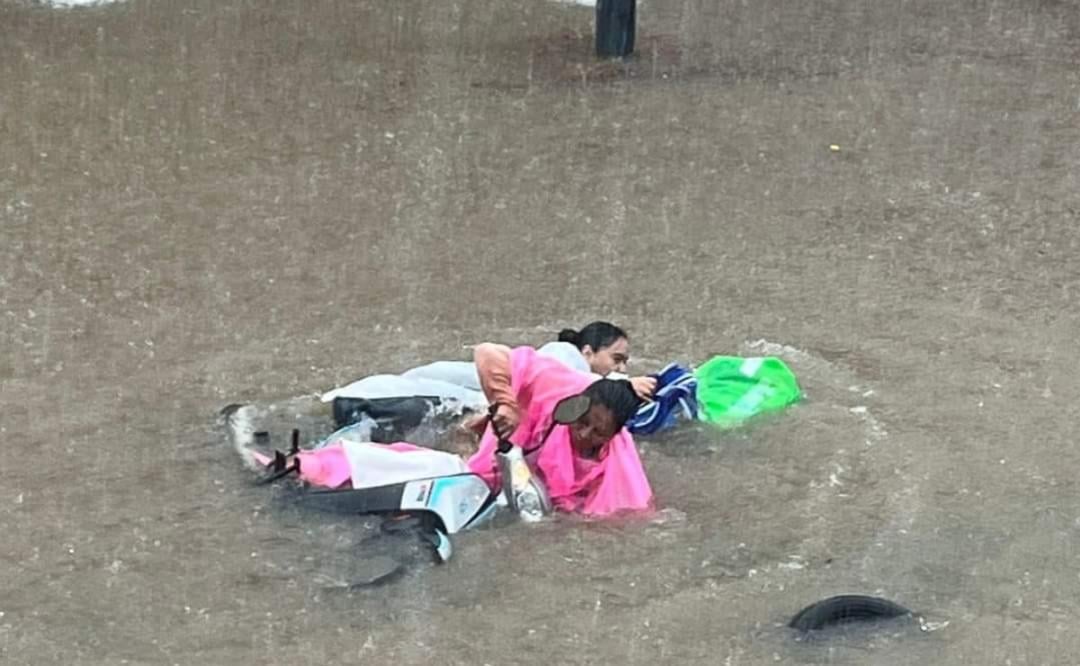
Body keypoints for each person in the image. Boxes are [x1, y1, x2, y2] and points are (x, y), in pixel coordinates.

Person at [466, 342, 653, 516]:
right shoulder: (553, 384)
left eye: (598, 433)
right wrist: (505, 403)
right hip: (510, 443)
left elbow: (620, 517)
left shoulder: (618, 463)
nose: (584, 433)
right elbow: (486, 351)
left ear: (612, 436)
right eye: (582, 421)